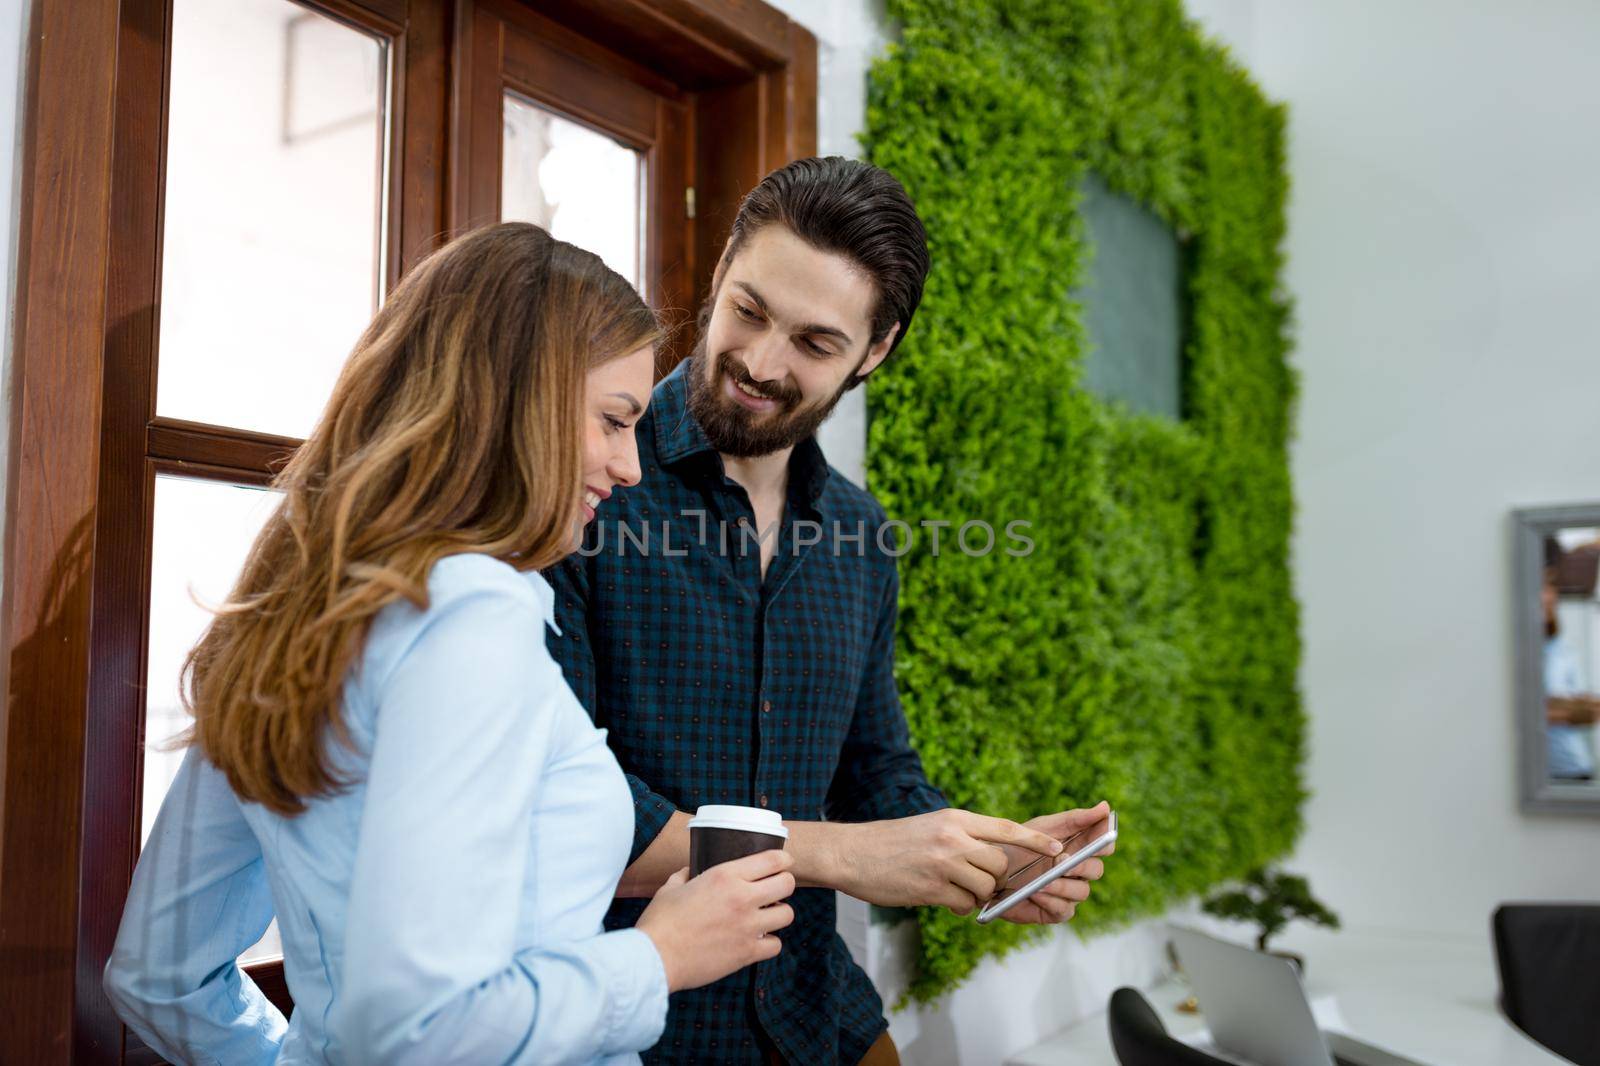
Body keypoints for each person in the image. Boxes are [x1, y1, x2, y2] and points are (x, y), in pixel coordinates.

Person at [104, 223, 797, 1065]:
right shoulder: (470, 612)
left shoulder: (285, 615)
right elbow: (423, 1025)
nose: (630, 467)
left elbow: (157, 977)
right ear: (512, 402)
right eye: (613, 421)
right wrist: (660, 958)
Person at [545, 157, 1114, 1065]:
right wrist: (841, 857)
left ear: (873, 353)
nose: (760, 364)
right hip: (636, 1016)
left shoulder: (859, 532)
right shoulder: (586, 486)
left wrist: (978, 854)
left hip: (816, 1009)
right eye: (748, 311)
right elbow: (561, 822)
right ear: (722, 266)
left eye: (814, 344)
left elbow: (874, 767)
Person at [1543, 539, 1599, 782]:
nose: (1549, 596)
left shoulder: (1561, 649)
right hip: (1542, 772)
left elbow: (1586, 709)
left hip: (1574, 768)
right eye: (1544, 587)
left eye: (1551, 588)